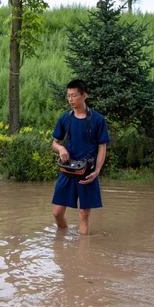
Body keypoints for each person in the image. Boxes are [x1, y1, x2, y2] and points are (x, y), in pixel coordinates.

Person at [51, 79, 110, 235]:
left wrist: (97, 171)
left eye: (74, 95)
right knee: (57, 213)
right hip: (67, 171)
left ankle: (83, 253)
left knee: (84, 215)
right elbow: (54, 143)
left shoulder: (98, 120)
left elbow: (102, 147)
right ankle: (63, 235)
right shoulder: (65, 118)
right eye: (68, 96)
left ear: (84, 96)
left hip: (87, 173)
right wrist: (61, 148)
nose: (70, 99)